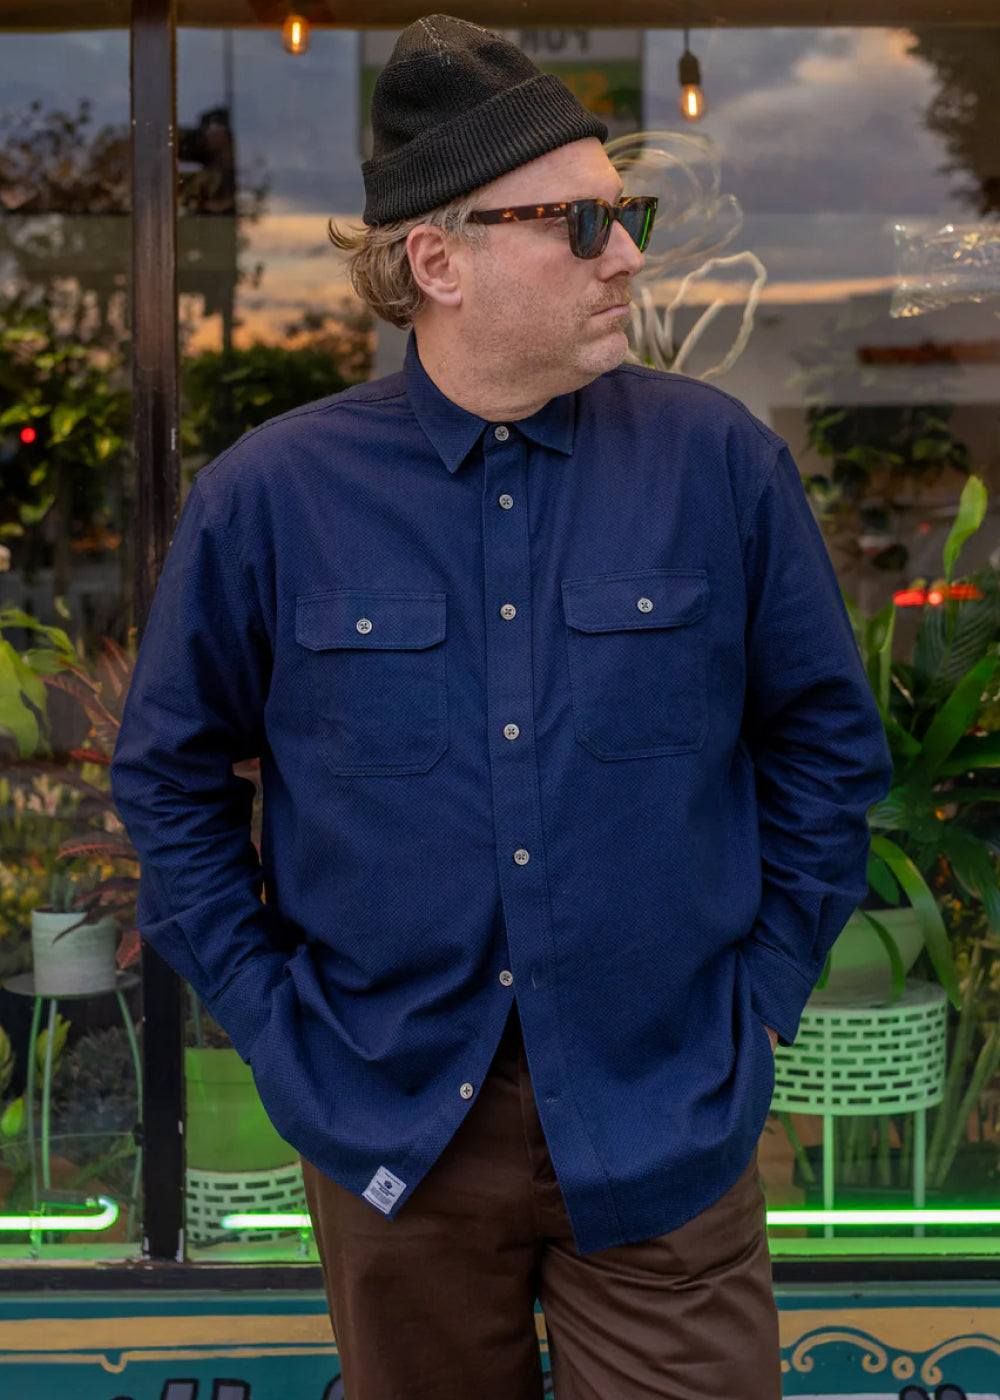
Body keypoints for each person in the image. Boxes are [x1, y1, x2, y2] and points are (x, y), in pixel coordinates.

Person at [111, 15, 891, 1400]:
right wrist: (285, 1034)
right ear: (439, 258)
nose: (630, 255)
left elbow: (828, 754)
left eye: (627, 213)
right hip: (392, 1132)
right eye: (585, 223)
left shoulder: (719, 467)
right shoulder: (275, 499)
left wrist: (759, 1002)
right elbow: (167, 784)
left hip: (666, 1117)